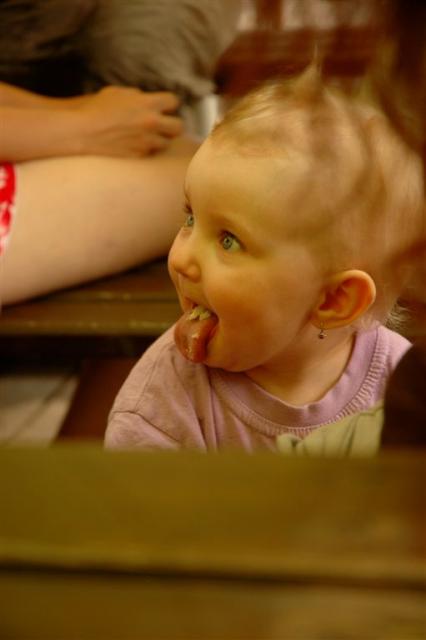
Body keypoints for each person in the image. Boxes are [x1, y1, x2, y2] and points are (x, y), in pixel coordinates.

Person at [104, 70, 423, 452]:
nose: (182, 257)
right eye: (190, 218)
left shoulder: (402, 388)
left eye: (228, 241)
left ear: (333, 300)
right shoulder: (162, 407)